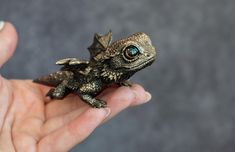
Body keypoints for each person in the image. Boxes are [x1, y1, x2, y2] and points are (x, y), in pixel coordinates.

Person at [0, 21, 152, 152]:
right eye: (132, 52)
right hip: (71, 80)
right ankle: (54, 93)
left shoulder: (109, 75)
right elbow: (83, 92)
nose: (147, 53)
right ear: (112, 61)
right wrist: (94, 102)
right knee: (59, 93)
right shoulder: (94, 82)